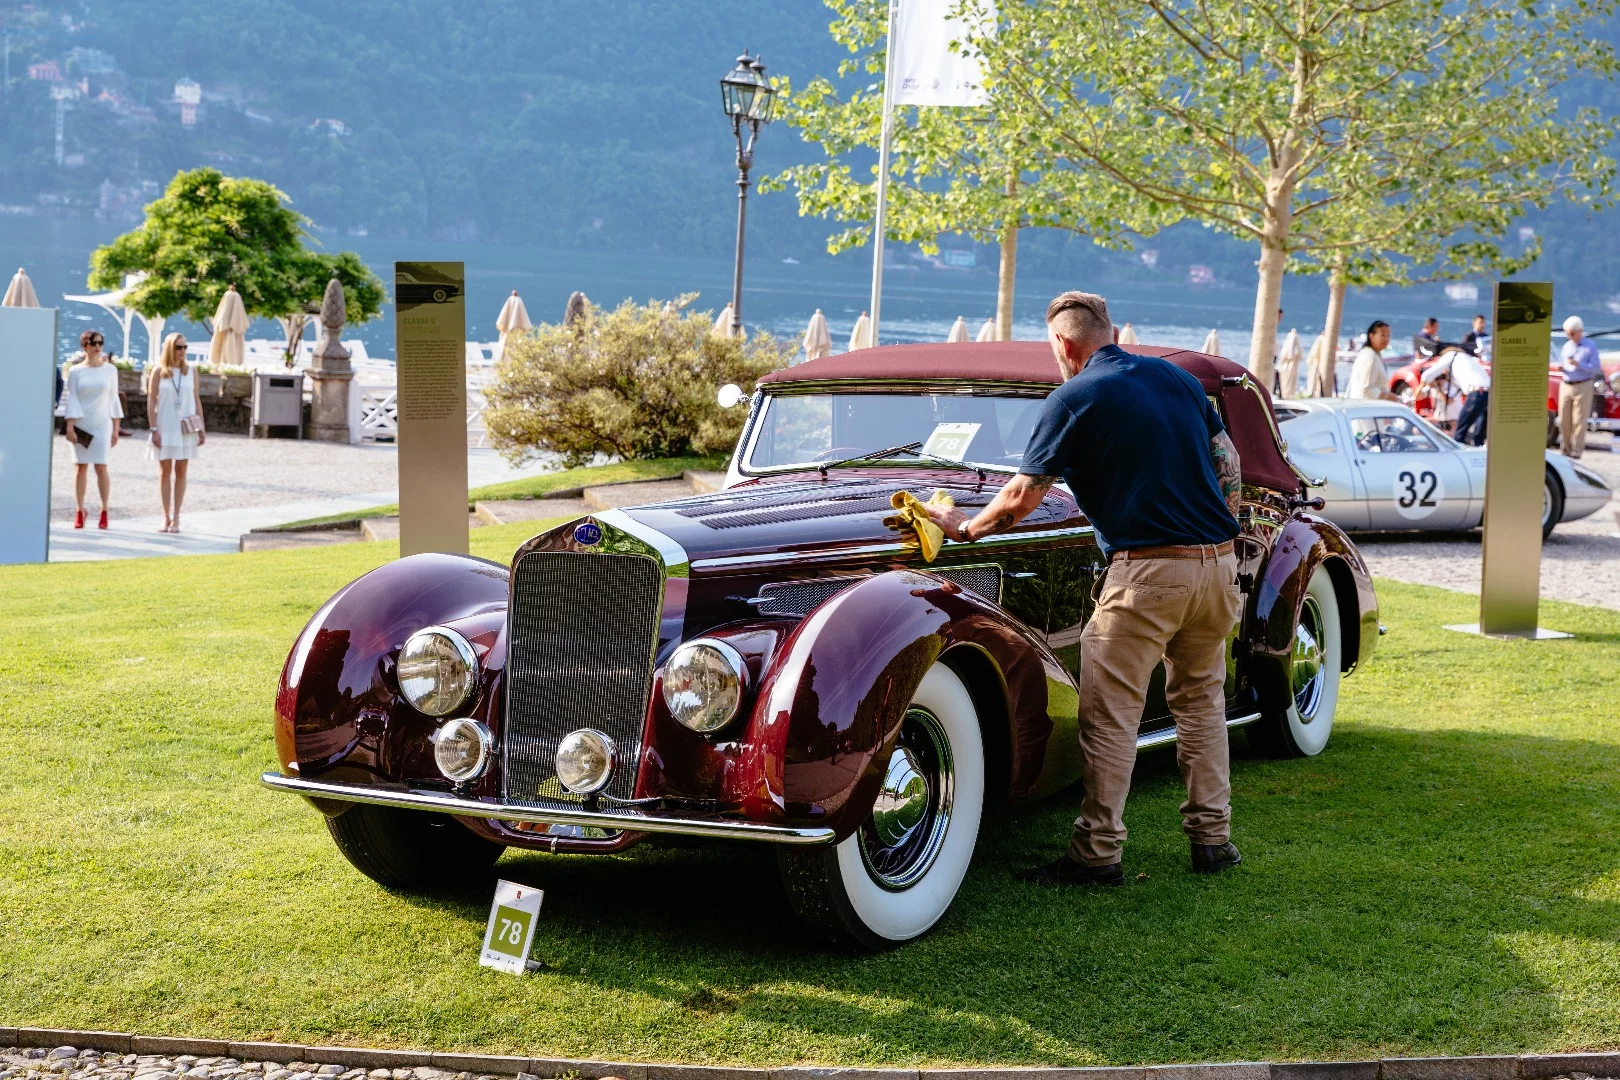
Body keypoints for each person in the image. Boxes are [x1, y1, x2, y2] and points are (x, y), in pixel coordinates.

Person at [924, 290, 1244, 885]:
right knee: (1201, 705)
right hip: (1217, 566)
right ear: (1112, 331)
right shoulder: (1176, 381)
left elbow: (1022, 496)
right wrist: (1224, 527)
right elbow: (1227, 458)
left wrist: (962, 527)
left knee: (1111, 715)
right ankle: (1213, 841)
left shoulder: (1073, 396)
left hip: (1147, 573)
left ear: (1064, 345)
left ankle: (1097, 853)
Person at [145, 332, 206, 532]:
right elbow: (151, 401)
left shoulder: (192, 372)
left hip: (185, 427)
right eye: (178, 347)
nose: (182, 351)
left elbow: (196, 399)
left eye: (184, 347)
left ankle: (177, 517)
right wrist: (153, 428)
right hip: (165, 425)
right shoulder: (158, 371)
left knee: (181, 471)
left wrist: (201, 427)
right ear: (170, 349)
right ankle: (165, 516)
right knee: (164, 472)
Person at [63, 329, 124, 529]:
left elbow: (114, 398)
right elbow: (72, 398)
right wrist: (70, 426)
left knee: (101, 467)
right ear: (85, 346)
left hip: (102, 423)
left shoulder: (110, 370)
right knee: (80, 468)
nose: (98, 347)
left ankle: (104, 509)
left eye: (100, 343)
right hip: (82, 423)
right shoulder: (75, 371)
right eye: (93, 343)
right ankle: (80, 510)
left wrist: (116, 428)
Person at [1424, 347, 1491, 445]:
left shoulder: (1451, 355)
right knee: (1479, 434)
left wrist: (1427, 385)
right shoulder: (1469, 359)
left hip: (1477, 392)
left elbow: (1427, 376)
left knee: (1460, 433)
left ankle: (1457, 456)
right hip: (1489, 392)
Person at [1558, 315, 1602, 459]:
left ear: (1580, 331)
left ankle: (1577, 450)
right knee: (1564, 420)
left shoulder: (1590, 346)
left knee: (1579, 420)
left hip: (1583, 384)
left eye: (1572, 333)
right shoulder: (1566, 346)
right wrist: (1562, 368)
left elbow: (1596, 368)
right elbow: (1563, 363)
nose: (1569, 336)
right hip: (1566, 384)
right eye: (1567, 333)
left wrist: (1579, 365)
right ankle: (1565, 448)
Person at [1347, 321, 1399, 401]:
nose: (1386, 339)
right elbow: (1367, 388)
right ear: (1371, 336)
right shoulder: (1369, 356)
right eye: (1382, 335)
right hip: (1367, 407)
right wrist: (1388, 396)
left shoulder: (1373, 354)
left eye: (1388, 335)